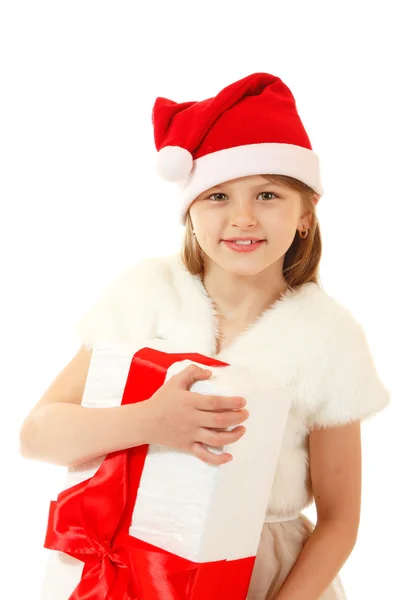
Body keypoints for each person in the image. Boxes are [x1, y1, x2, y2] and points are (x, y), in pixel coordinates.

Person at [19, 72, 390, 600]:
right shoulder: (144, 296)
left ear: (305, 213)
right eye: (217, 196)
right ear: (190, 213)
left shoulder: (328, 339)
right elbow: (37, 436)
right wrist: (151, 421)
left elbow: (339, 521)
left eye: (267, 194)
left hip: (265, 579)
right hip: (128, 565)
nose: (242, 218)